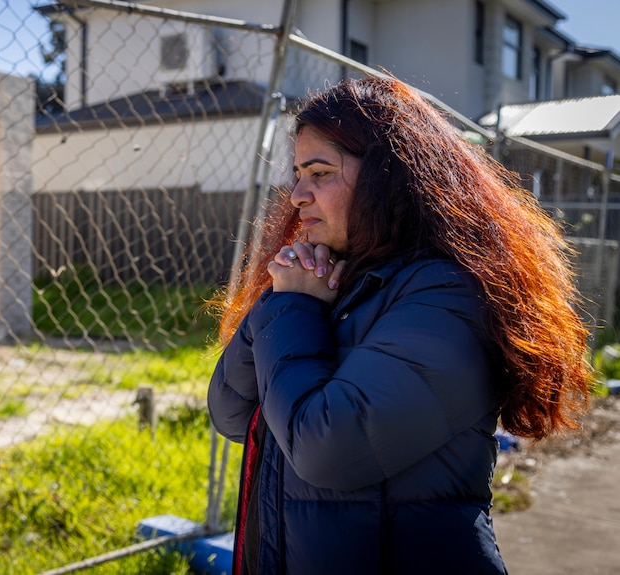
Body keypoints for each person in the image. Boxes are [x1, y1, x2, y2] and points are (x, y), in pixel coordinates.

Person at [207, 76, 592, 574]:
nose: (298, 193)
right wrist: (279, 304)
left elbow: (326, 449)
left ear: (390, 177)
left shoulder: (447, 297)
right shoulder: (326, 281)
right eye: (298, 172)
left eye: (320, 172)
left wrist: (294, 310)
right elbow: (232, 414)